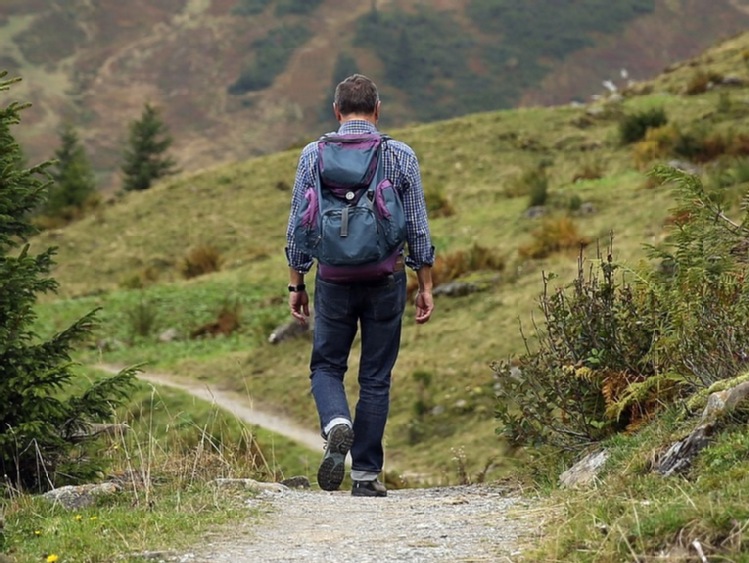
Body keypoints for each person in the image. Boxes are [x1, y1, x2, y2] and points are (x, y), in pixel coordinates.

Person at [284, 74, 435, 497]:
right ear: (377, 109)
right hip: (386, 277)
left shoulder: (313, 155)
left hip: (332, 279)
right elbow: (418, 227)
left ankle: (336, 422)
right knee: (375, 376)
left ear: (336, 111)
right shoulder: (399, 155)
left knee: (327, 365)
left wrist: (296, 283)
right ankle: (366, 475)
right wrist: (425, 283)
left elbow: (299, 224)